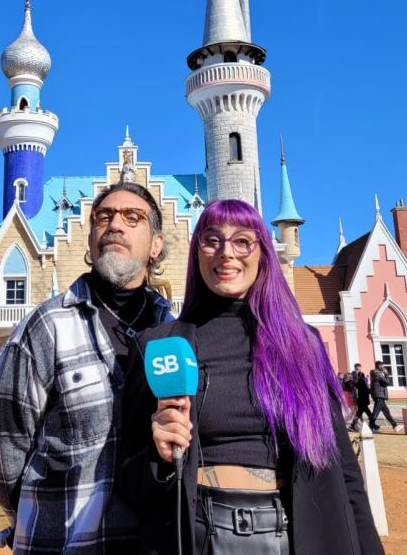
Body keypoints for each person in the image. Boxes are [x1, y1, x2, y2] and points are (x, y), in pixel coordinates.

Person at [121, 199, 383, 555]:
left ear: (263, 253)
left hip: (292, 535)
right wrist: (158, 453)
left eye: (243, 241)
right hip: (192, 535)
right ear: (196, 252)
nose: (226, 253)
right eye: (211, 239)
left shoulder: (302, 346)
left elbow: (344, 471)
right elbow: (126, 477)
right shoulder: (159, 346)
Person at [0, 182, 172, 553]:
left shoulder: (173, 331)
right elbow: (0, 448)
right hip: (64, 544)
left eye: (132, 217)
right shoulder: (46, 326)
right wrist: (40, 515)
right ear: (89, 239)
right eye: (104, 216)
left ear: (156, 245)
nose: (115, 224)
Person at [369, 361, 400, 432]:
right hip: (379, 395)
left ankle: (395, 425)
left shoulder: (375, 373)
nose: (384, 367)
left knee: (386, 412)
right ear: (379, 366)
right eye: (382, 366)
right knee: (376, 412)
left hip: (379, 395)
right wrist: (386, 374)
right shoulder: (378, 374)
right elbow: (387, 382)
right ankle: (371, 427)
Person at [352, 363, 372, 431]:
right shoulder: (362, 382)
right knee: (369, 414)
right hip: (363, 401)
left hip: (360, 400)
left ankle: (353, 425)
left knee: (359, 414)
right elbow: (366, 390)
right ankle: (372, 426)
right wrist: (371, 390)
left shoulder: (359, 382)